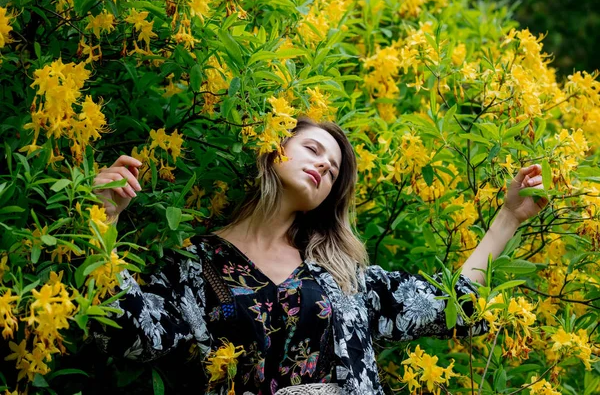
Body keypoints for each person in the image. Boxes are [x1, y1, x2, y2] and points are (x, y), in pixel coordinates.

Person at [91, 117, 547, 394]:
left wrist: (508, 218)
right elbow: (129, 333)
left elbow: (453, 306)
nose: (323, 166)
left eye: (332, 171)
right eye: (312, 149)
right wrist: (103, 221)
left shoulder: (344, 277)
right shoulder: (196, 265)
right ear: (273, 150)